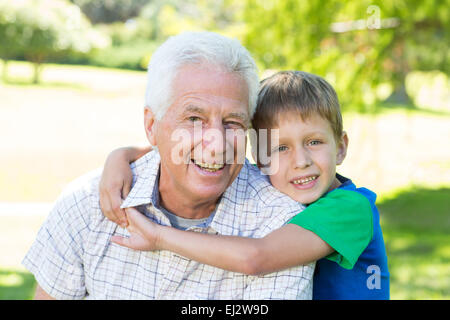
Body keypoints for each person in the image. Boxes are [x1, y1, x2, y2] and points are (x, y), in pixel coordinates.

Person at [22, 32, 315, 299]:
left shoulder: (280, 229)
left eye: (232, 122)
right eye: (194, 119)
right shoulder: (86, 205)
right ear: (152, 126)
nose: (217, 144)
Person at [100, 71, 390, 299]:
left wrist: (159, 237)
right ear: (259, 158)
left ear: (340, 147)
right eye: (281, 148)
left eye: (314, 142)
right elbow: (185, 151)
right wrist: (121, 157)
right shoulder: (268, 185)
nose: (300, 161)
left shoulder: (352, 210)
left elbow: (256, 257)